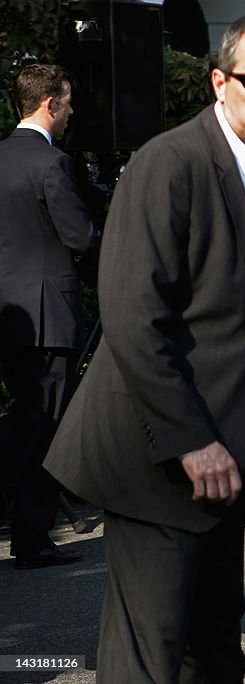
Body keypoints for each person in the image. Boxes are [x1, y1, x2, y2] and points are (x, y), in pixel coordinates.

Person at [44, 13, 245, 681]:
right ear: (220, 82)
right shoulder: (171, 164)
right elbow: (134, 319)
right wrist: (192, 441)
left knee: (215, 648)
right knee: (149, 659)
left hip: (224, 458)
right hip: (155, 456)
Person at [0, 63, 98, 569]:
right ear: (50, 104)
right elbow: (79, 238)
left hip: (9, 316)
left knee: (22, 418)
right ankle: (33, 540)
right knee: (44, 427)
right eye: (68, 101)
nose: (72, 111)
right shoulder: (51, 164)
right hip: (48, 316)